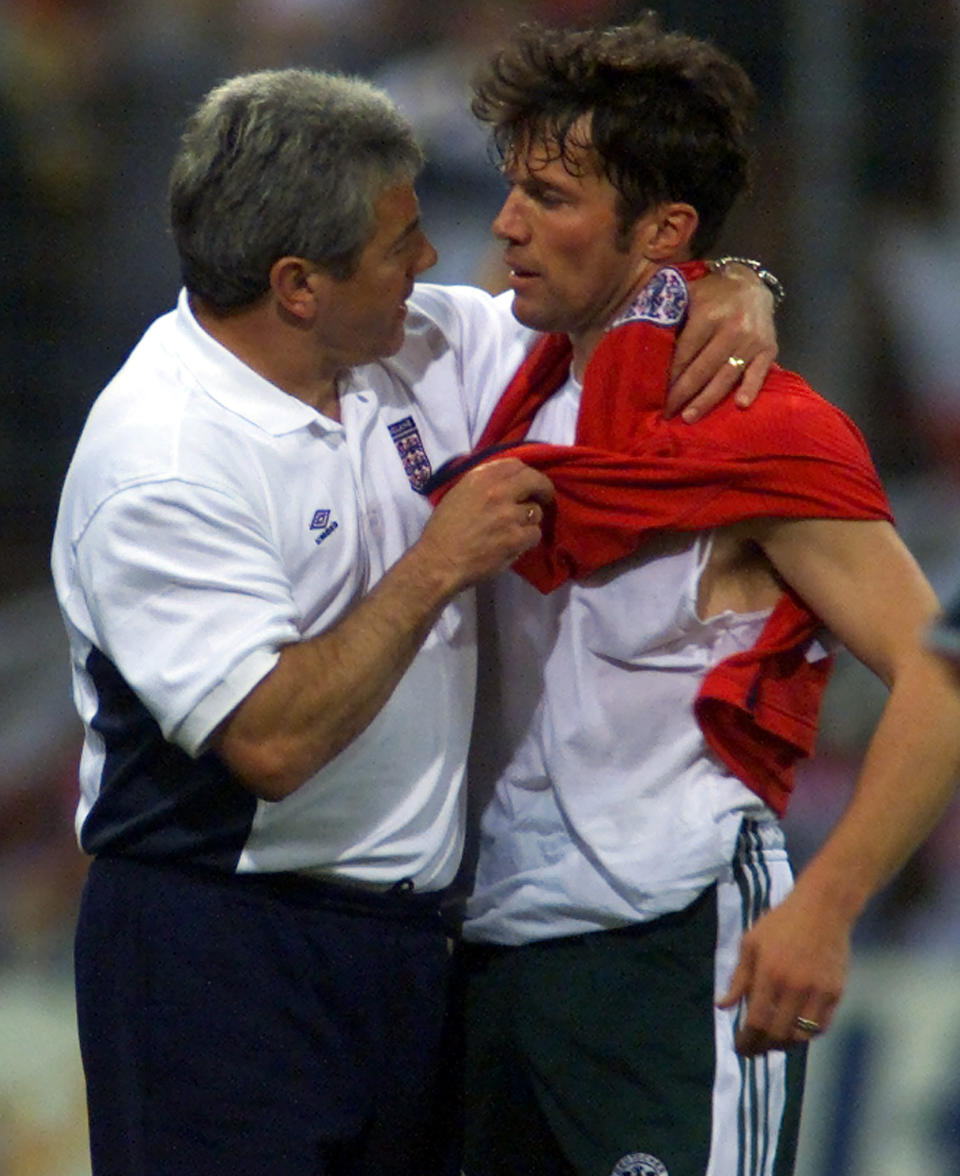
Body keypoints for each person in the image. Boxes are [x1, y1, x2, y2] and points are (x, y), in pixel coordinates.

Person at [50, 66, 780, 1175]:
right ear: (300, 284)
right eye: (400, 244)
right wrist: (437, 562)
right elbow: (273, 741)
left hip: (409, 951)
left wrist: (729, 280)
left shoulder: (406, 344)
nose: (433, 263)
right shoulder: (162, 461)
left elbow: (603, 300)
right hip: (221, 953)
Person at [433, 17, 960, 1176]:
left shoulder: (756, 426)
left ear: (664, 229)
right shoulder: (492, 383)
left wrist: (828, 903)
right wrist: (736, 275)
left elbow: (943, 671)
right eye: (513, 186)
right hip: (489, 956)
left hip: (673, 948)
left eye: (551, 196)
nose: (507, 223)